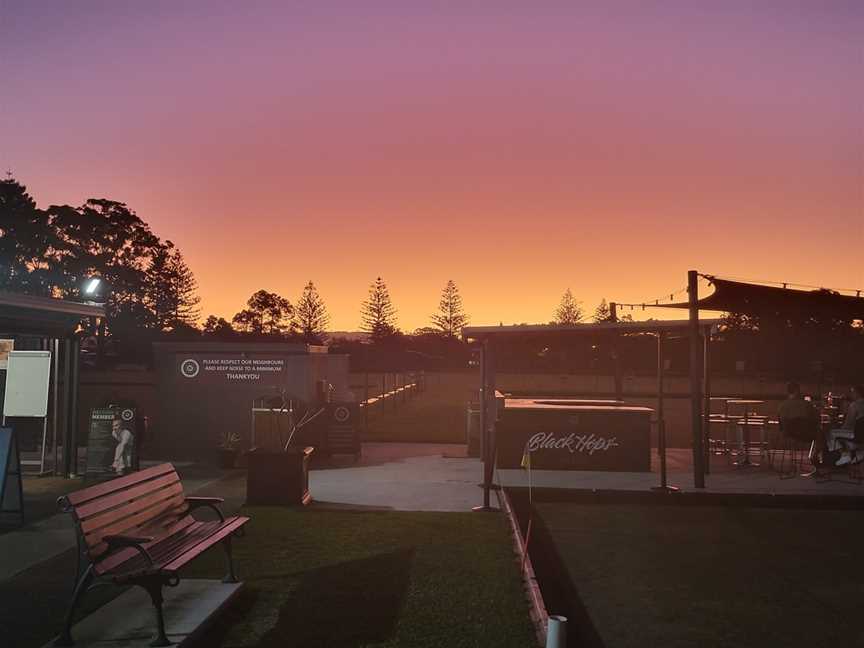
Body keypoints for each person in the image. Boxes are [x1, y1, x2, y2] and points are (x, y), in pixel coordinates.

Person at [777, 382, 820, 470]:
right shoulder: (806, 404)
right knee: (821, 434)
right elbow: (817, 418)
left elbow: (780, 423)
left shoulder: (782, 406)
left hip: (787, 434)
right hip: (805, 435)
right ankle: (815, 457)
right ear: (797, 391)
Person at [826, 384, 864, 466]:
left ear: (857, 393)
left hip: (855, 434)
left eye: (852, 392)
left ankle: (844, 454)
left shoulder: (854, 405)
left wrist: (839, 427)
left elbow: (848, 424)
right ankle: (859, 452)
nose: (851, 394)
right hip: (862, 436)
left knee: (831, 433)